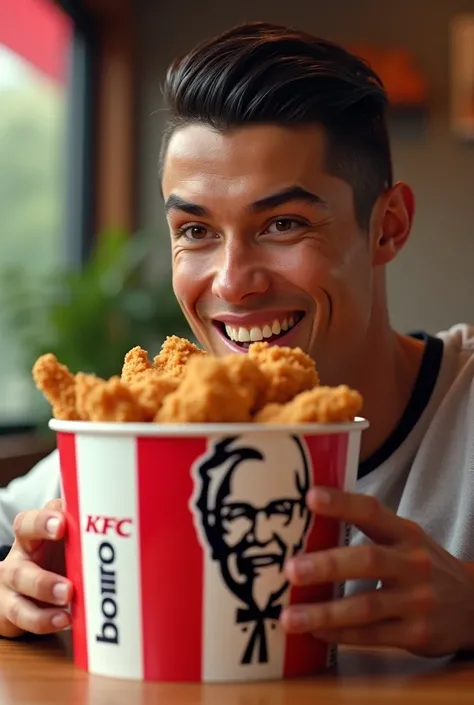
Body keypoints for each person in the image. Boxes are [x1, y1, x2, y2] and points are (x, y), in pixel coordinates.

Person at [0, 21, 473, 655]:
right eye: (195, 231)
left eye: (282, 223)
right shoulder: (150, 435)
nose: (233, 282)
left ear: (387, 227)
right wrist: (12, 581)